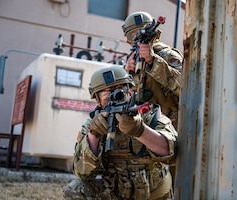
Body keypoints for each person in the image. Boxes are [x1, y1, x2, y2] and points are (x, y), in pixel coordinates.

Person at [63, 65, 178, 199]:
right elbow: (83, 173)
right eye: (106, 94)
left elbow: (173, 153)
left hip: (154, 196)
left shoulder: (149, 115)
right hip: (115, 194)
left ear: (130, 92)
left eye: (120, 91)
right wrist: (93, 136)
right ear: (97, 101)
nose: (114, 97)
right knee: (75, 190)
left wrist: (140, 130)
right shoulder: (93, 123)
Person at [122, 11, 183, 129]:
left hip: (170, 129)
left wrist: (153, 61)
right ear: (129, 42)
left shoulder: (168, 55)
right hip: (143, 131)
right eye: (134, 36)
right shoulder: (133, 60)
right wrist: (127, 74)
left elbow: (185, 88)